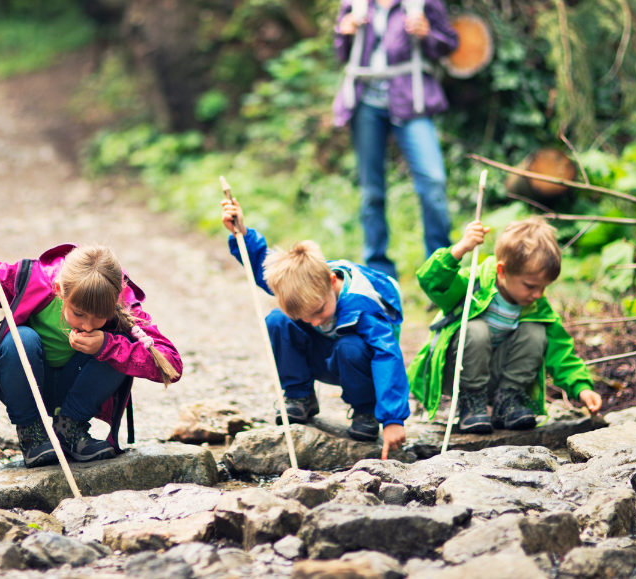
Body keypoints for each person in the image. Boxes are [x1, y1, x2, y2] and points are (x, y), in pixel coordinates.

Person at [0, 187, 182, 467]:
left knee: (118, 341)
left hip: (76, 392)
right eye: (79, 313)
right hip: (28, 384)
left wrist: (107, 345)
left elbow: (171, 364)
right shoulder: (29, 280)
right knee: (21, 338)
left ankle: (70, 429)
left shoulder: (122, 304)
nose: (88, 325)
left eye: (98, 317)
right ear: (59, 290)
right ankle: (32, 434)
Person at [221, 198, 408, 460]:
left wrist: (392, 419)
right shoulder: (307, 286)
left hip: (357, 365)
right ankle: (300, 397)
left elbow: (388, 356)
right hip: (322, 358)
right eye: (306, 317)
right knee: (278, 320)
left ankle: (365, 410)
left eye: (319, 311)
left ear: (333, 281)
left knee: (349, 346)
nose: (315, 322)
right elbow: (265, 268)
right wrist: (242, 233)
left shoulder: (363, 307)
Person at [408, 216, 602, 433]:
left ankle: (507, 400)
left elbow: (560, 351)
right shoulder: (475, 283)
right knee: (477, 330)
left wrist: (582, 388)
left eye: (543, 287)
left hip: (501, 375)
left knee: (537, 332)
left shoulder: (536, 306)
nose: (537, 294)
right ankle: (471, 404)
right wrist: (460, 249)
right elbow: (431, 282)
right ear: (502, 271)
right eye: (530, 286)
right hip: (462, 372)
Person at [333, 0, 460, 280]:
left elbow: (449, 44)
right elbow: (341, 53)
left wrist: (427, 33)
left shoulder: (423, 3)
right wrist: (345, 32)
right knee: (371, 192)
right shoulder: (355, 3)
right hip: (365, 102)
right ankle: (379, 274)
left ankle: (440, 273)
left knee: (433, 182)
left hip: (411, 99)